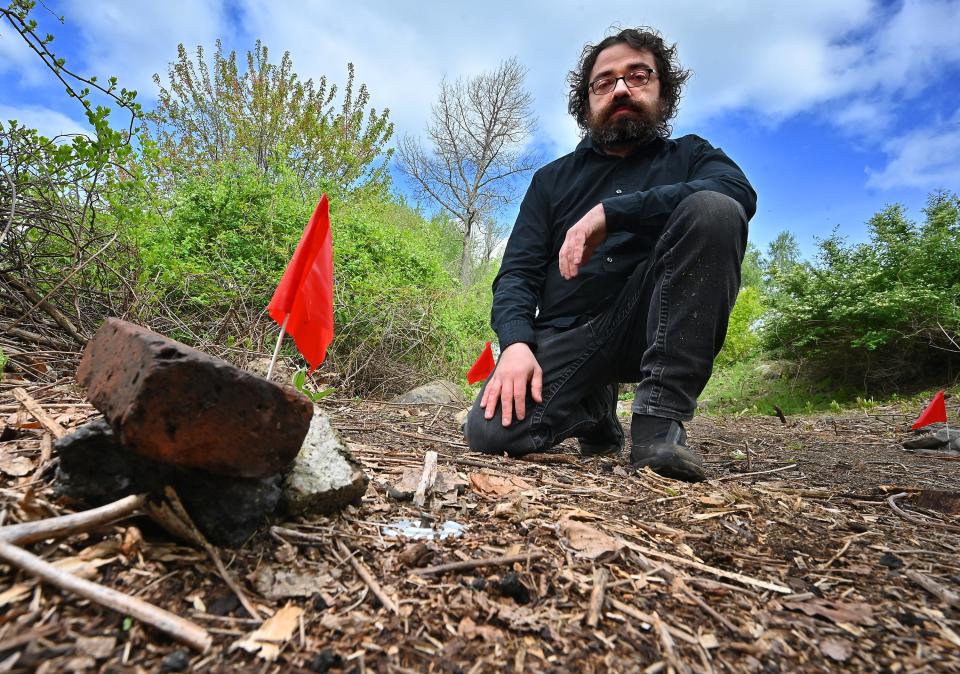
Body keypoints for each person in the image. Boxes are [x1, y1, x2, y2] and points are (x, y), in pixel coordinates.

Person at [462, 27, 757, 482]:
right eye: (604, 81)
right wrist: (516, 343)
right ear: (586, 102)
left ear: (664, 91)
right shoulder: (551, 180)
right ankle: (596, 412)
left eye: (638, 75)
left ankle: (659, 422)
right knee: (491, 433)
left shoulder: (693, 155)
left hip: (655, 322)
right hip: (570, 332)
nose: (621, 87)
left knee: (715, 210)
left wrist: (615, 214)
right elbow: (517, 273)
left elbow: (737, 193)